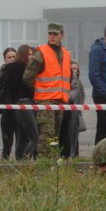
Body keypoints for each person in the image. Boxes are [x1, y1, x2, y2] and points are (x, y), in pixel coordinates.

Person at [23, 22, 72, 155]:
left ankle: (52, 161)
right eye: (50, 33)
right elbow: (28, 76)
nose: (52, 36)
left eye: (55, 34)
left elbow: (68, 77)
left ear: (62, 35)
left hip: (60, 101)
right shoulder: (41, 53)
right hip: (46, 101)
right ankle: (44, 163)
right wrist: (41, 88)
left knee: (55, 135)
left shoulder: (66, 54)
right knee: (47, 135)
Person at [0, 45, 38, 159]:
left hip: (17, 104)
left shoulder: (8, 69)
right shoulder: (25, 69)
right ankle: (25, 160)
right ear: (24, 55)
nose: (32, 57)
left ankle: (20, 162)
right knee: (34, 138)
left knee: (21, 139)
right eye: (30, 54)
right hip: (25, 104)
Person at [0, 47, 18, 159]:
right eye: (9, 57)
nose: (11, 59)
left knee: (20, 140)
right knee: (7, 141)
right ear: (5, 59)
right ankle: (4, 161)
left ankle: (20, 161)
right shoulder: (3, 72)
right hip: (7, 110)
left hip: (20, 109)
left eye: (14, 57)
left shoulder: (22, 70)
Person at [65, 61, 85, 158]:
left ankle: (75, 155)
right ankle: (69, 154)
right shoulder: (68, 81)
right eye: (73, 68)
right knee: (68, 134)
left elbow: (82, 94)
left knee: (75, 135)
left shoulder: (79, 83)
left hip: (76, 111)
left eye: (76, 69)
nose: (75, 70)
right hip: (68, 110)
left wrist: (80, 106)